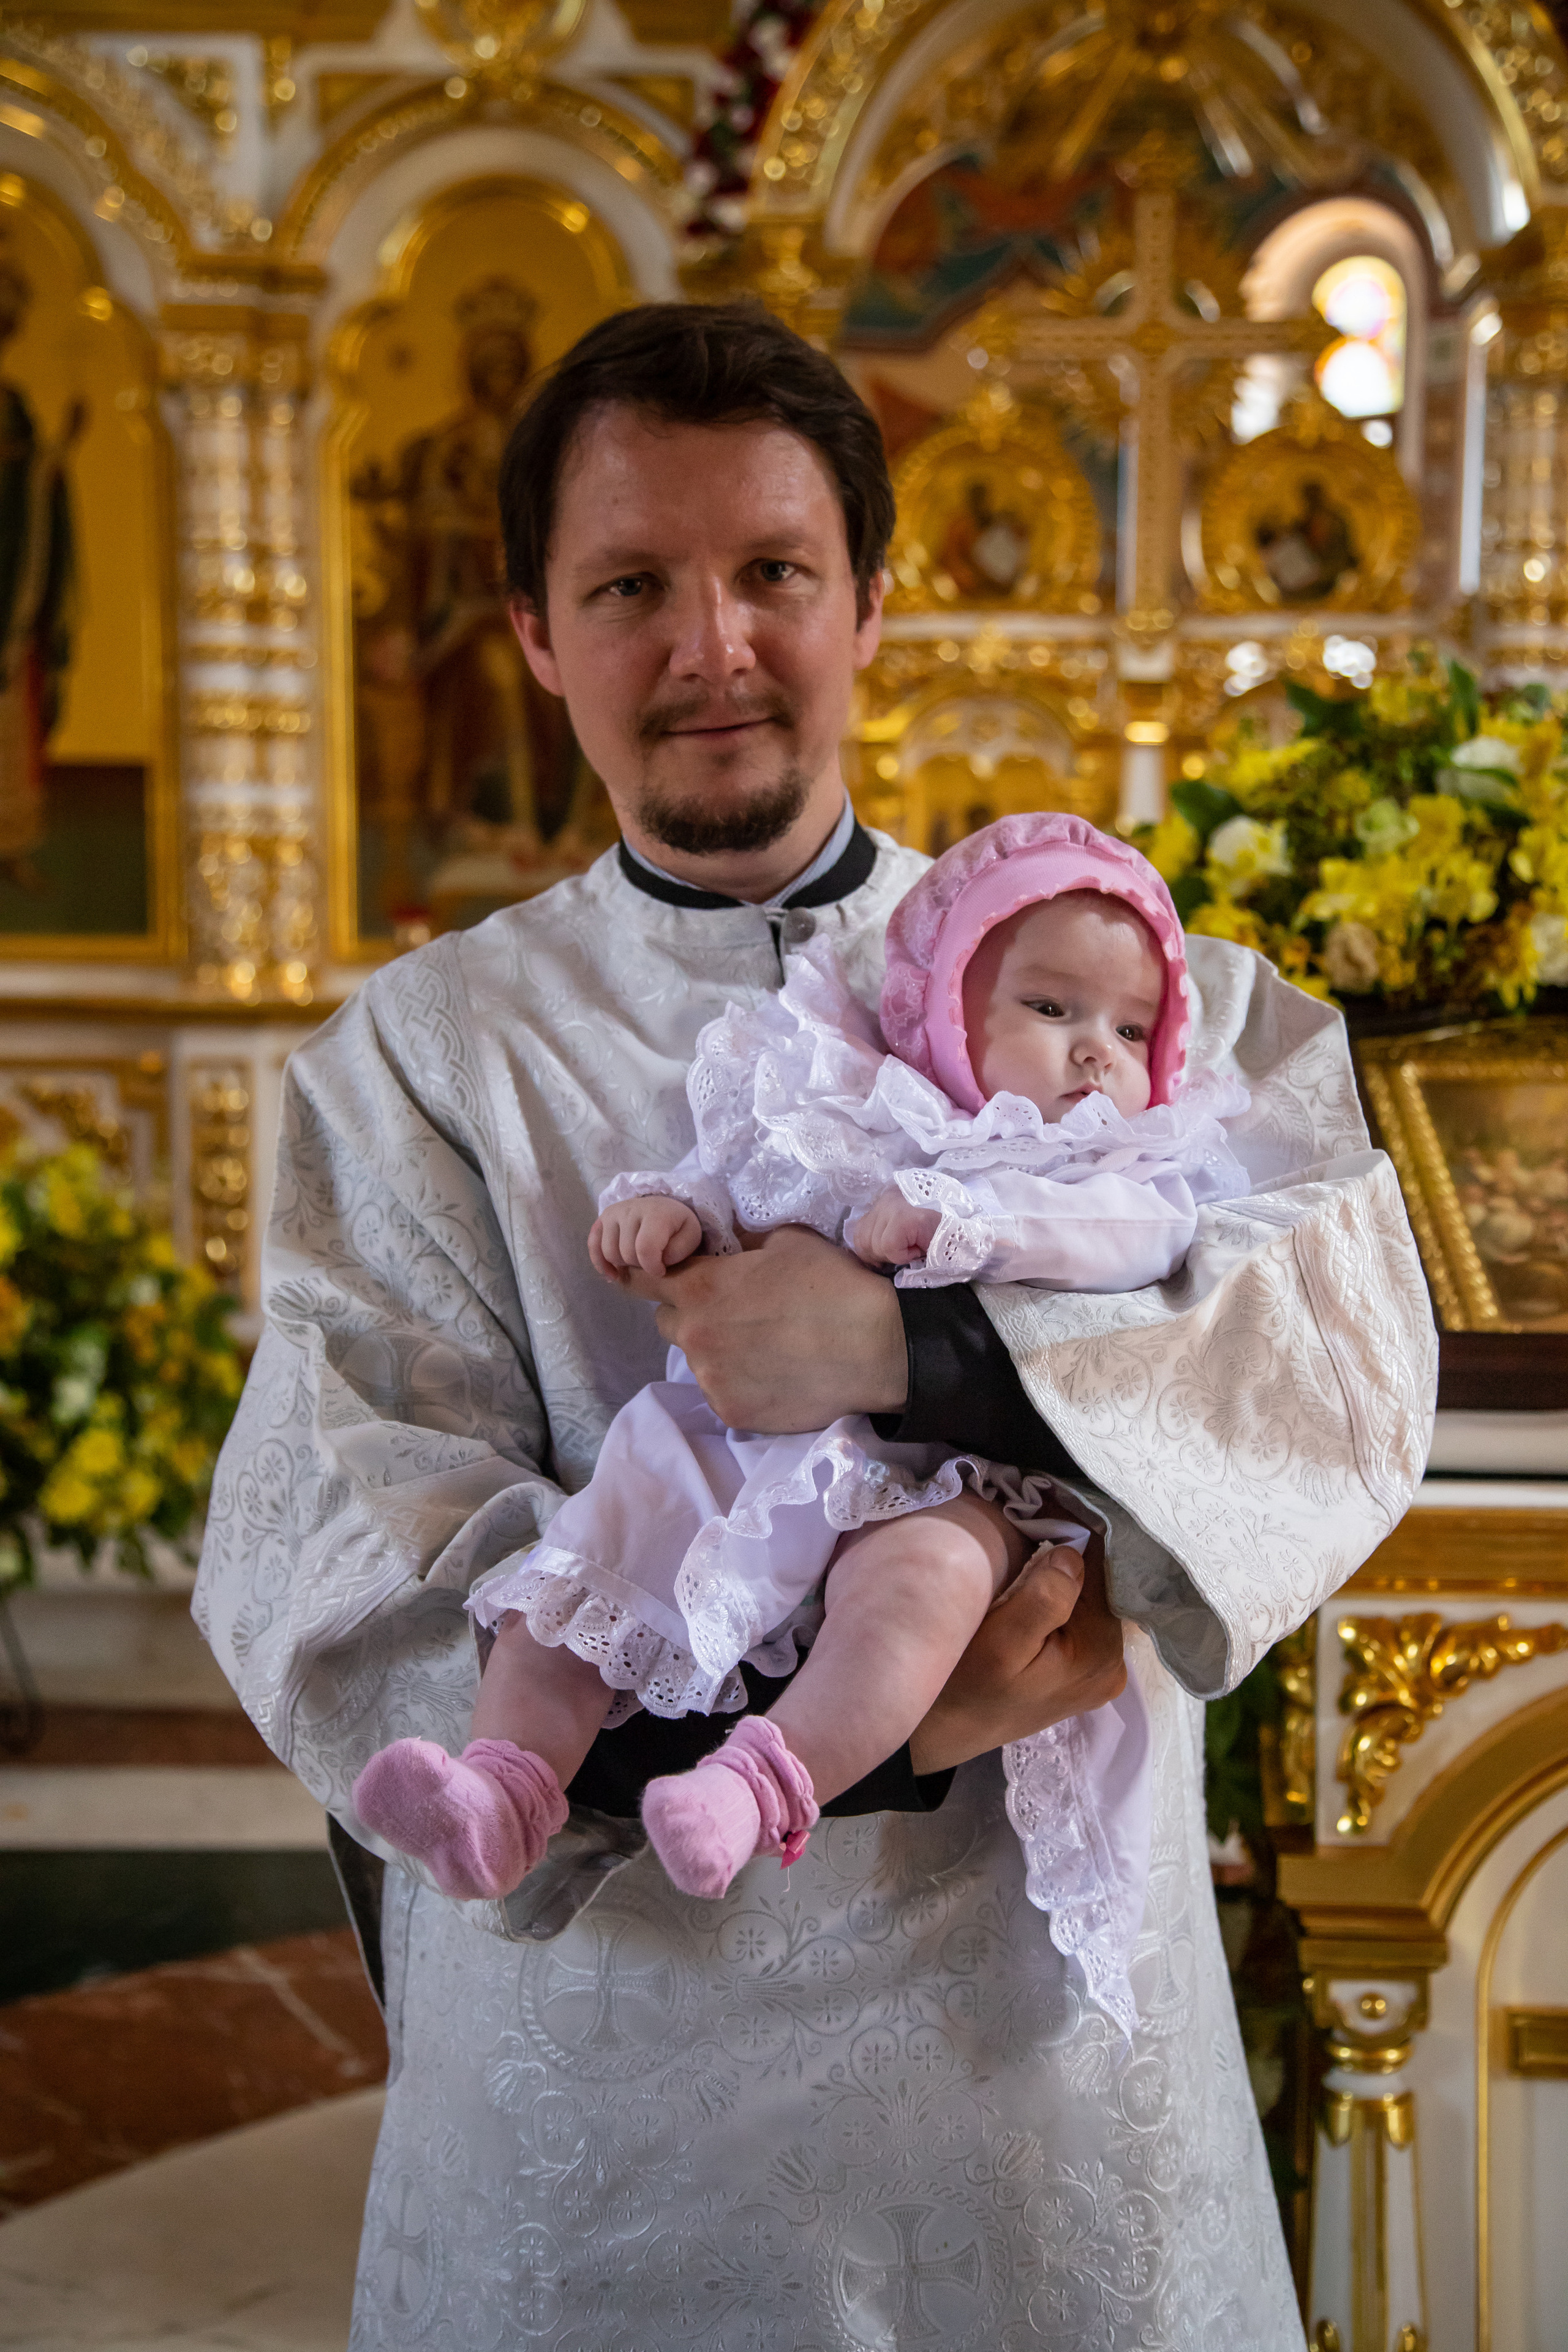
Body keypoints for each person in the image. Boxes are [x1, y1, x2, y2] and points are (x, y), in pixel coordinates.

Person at [194, 300, 1436, 2349]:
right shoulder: (415, 1065)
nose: (711, 651)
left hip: (1031, 2058)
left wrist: (912, 1360)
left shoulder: (1131, 985)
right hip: (618, 2057)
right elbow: (341, 1527)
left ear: (871, 596)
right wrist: (862, 1746)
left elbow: (1331, 1352)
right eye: (629, 587)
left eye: (774, 571)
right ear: (531, 632)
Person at [351, 814, 1252, 2046]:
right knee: (579, 1570)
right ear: (945, 1014)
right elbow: (743, 1173)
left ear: (868, 608)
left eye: (1131, 1031)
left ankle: (755, 1782)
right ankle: (501, 1787)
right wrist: (664, 1212)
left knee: (921, 1579)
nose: (1097, 1054)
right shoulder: (852, 1091)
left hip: (940, 1482)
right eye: (1050, 1012)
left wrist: (959, 1246)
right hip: (736, 1456)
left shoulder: (1111, 1164)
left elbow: (1144, 1250)